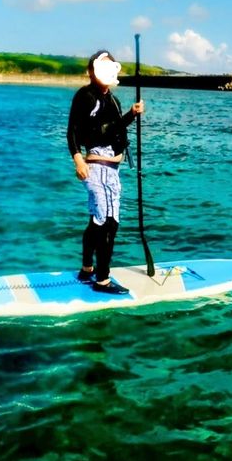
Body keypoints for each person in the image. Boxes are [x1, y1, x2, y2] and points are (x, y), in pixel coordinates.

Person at [66, 49, 144, 294]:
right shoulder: (86, 96)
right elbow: (73, 131)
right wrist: (78, 160)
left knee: (98, 220)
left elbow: (113, 129)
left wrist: (131, 114)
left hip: (112, 170)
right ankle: (102, 280)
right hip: (97, 167)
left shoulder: (113, 100)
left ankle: (87, 269)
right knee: (107, 223)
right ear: (91, 71)